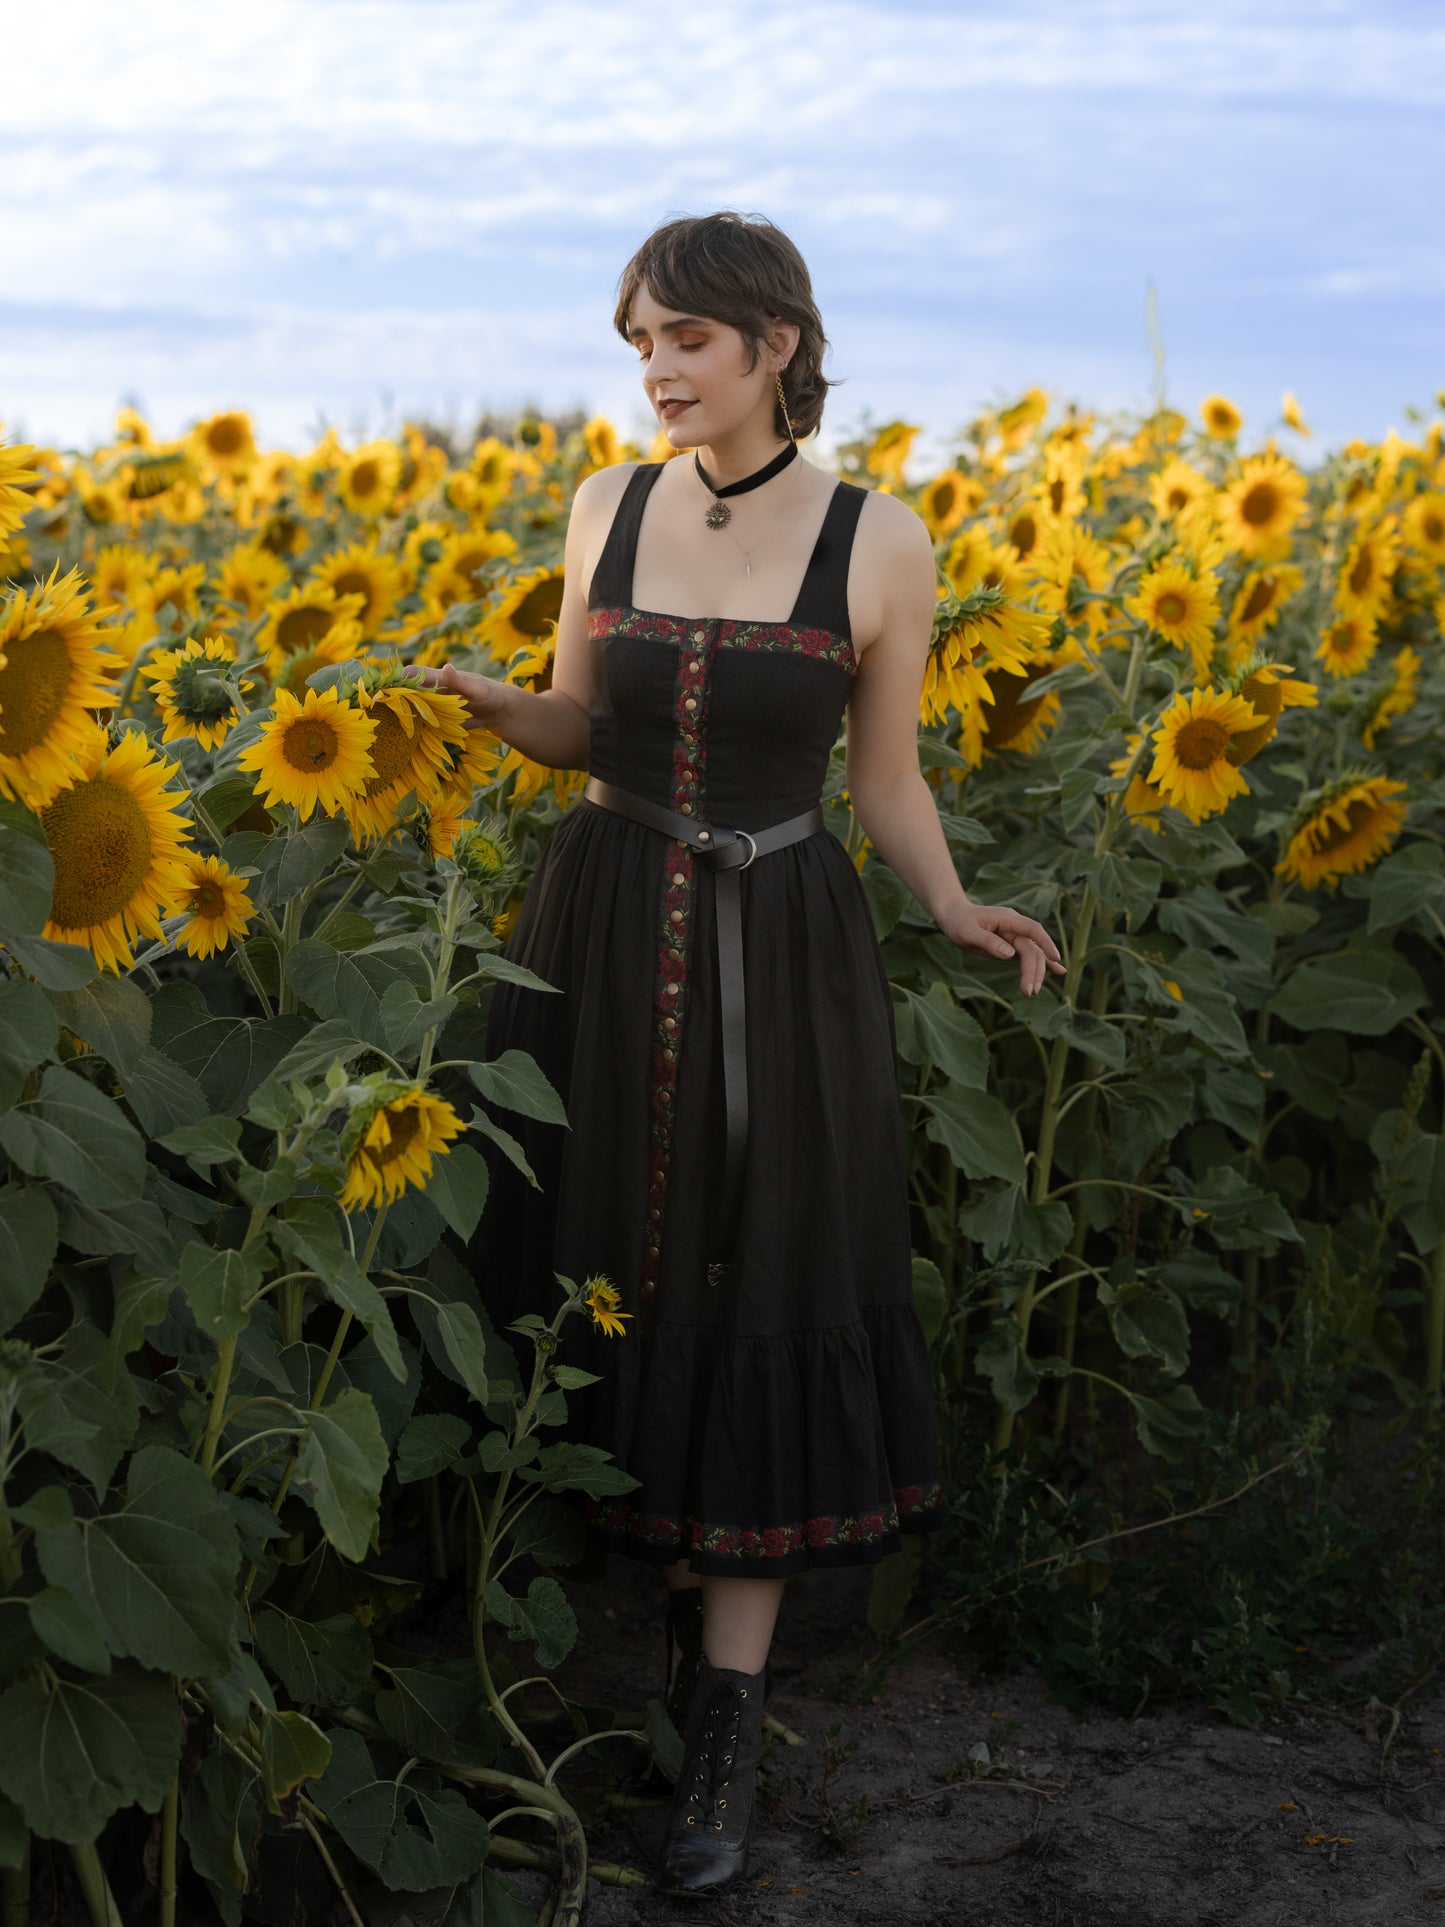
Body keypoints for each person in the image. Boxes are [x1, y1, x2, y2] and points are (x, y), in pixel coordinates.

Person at [425, 210, 1065, 1900]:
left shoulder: (876, 540)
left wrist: (949, 906)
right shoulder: (603, 508)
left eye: (684, 344)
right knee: (590, 1255)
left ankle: (724, 1707)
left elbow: (886, 779)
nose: (654, 374)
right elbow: (583, 725)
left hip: (783, 945)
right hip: (602, 916)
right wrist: (501, 705)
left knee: (761, 1265)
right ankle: (582, 1644)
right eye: (637, 342)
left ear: (775, 342)